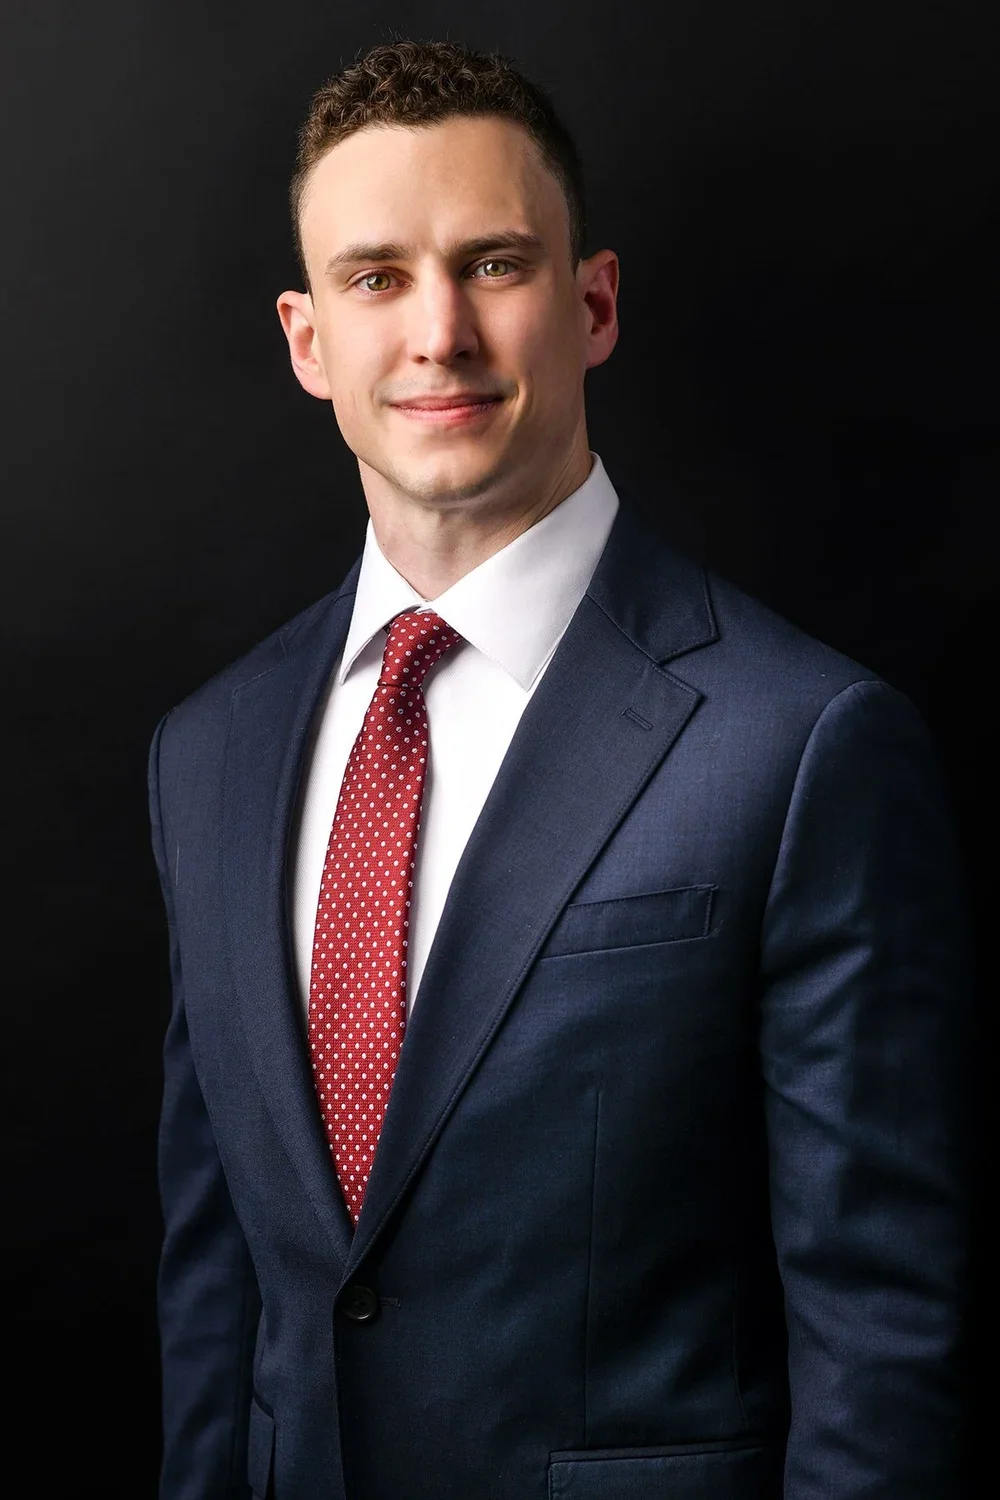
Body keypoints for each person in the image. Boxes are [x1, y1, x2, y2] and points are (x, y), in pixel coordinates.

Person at [148, 37, 970, 1500]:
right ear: (307, 341)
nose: (440, 333)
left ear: (591, 304)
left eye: (494, 265)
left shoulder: (803, 743)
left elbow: (884, 1333)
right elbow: (220, 1299)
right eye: (377, 277)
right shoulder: (206, 754)